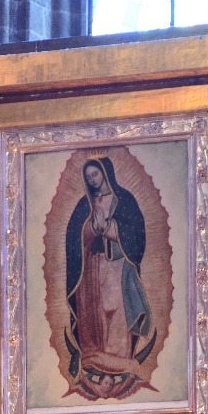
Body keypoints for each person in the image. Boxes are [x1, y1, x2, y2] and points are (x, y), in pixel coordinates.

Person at [64, 155, 154, 401]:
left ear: (106, 172)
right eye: (89, 176)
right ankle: (94, 357)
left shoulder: (125, 200)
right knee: (94, 312)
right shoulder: (85, 204)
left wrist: (111, 227)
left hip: (116, 266)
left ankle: (119, 360)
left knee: (116, 311)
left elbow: (137, 235)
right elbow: (73, 237)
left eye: (96, 174)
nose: (93, 180)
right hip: (91, 269)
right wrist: (91, 229)